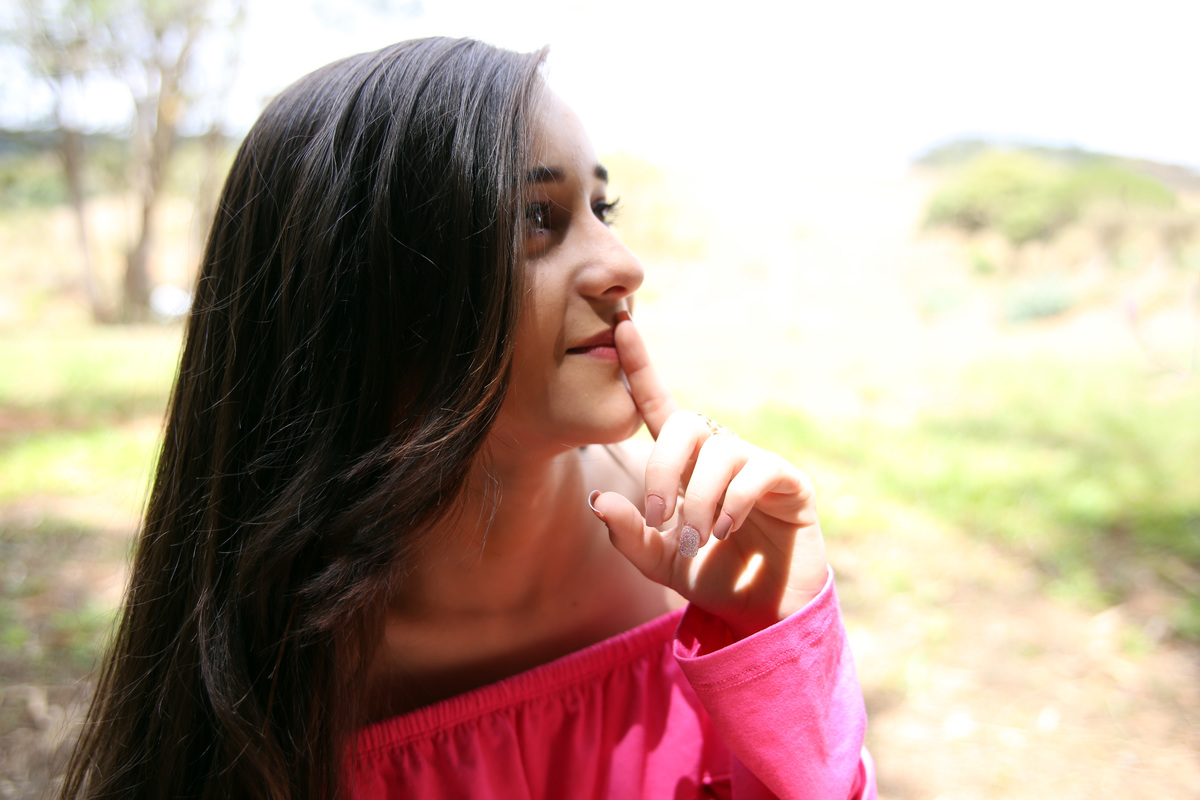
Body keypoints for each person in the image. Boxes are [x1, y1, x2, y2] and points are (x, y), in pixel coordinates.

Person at [61, 37, 875, 799]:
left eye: (603, 208)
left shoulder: (701, 560)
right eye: (536, 218)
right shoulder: (260, 656)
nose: (624, 267)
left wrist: (778, 644)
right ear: (363, 294)